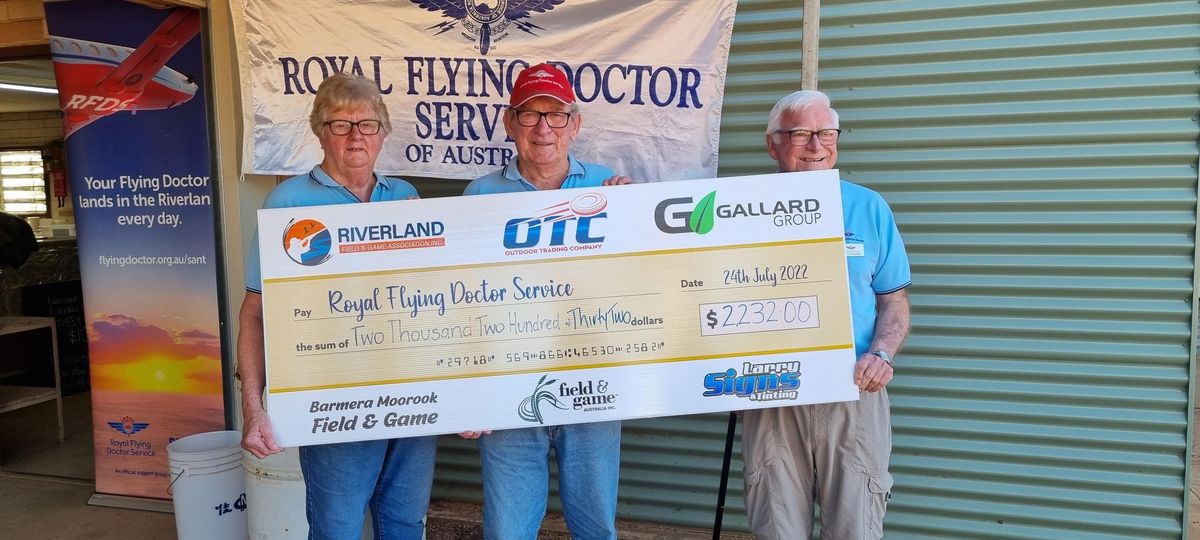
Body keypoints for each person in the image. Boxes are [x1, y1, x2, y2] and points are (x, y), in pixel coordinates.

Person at [237, 72, 436, 540]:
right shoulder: (287, 202)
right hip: (333, 401)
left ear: (383, 133)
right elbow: (254, 312)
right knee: (337, 529)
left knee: (405, 524)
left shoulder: (406, 197)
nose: (355, 136)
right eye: (340, 124)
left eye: (367, 125)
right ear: (320, 131)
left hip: (413, 396)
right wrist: (254, 408)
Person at [460, 62, 630, 540]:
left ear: (574, 124)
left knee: (596, 529)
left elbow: (639, 283)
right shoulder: (477, 196)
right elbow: (461, 301)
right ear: (510, 122)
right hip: (507, 391)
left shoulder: (609, 189)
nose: (543, 128)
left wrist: (633, 215)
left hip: (592, 388)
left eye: (555, 115)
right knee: (507, 531)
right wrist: (467, 391)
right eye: (529, 114)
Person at [740, 90, 912, 540]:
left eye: (827, 133)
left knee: (856, 529)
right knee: (777, 528)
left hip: (853, 391)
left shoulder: (868, 208)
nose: (816, 145)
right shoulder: (736, 210)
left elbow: (894, 301)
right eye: (800, 133)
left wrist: (882, 354)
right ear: (773, 143)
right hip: (770, 393)